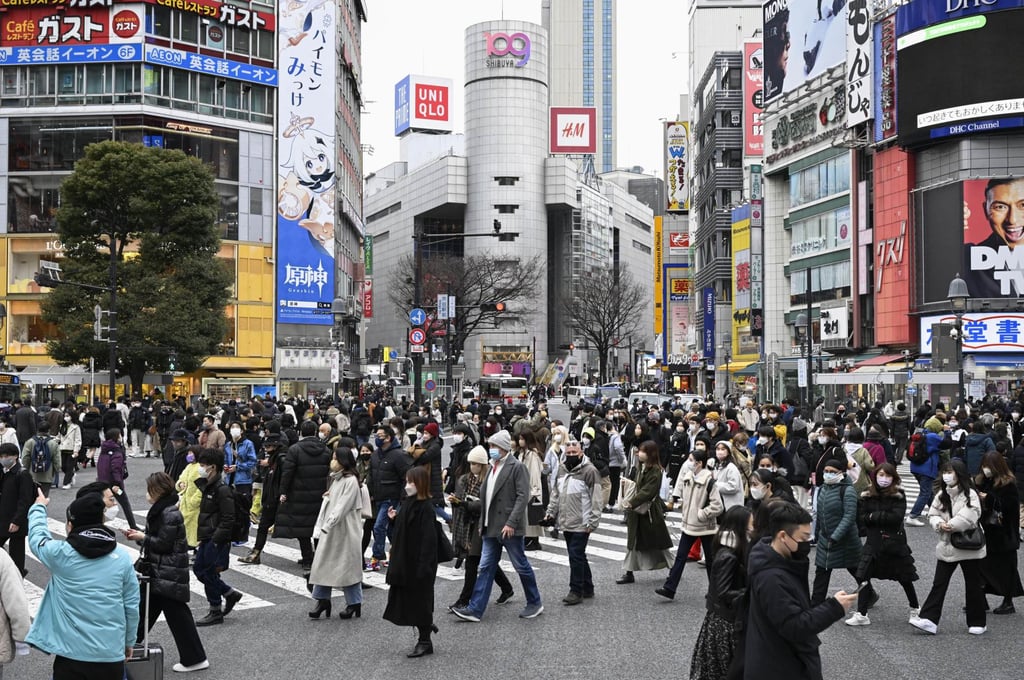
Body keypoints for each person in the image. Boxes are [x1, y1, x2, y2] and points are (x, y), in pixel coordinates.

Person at [26, 489, 140, 680]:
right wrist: (129, 641)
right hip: (110, 654)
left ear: (70, 525)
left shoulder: (60, 554)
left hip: (71, 655)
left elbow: (37, 537)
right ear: (101, 521)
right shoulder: (122, 558)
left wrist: (39, 507)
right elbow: (131, 606)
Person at [744, 503, 856, 680]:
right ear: (782, 536)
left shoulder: (779, 560)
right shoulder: (772, 577)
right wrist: (834, 607)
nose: (807, 544)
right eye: (803, 538)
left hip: (778, 659)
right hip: (779, 666)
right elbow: (793, 626)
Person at [451, 430, 544, 622]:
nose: (491, 450)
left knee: (521, 566)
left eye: (493, 446)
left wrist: (511, 522)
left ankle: (534, 602)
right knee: (485, 567)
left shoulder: (516, 467)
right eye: (490, 446)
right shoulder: (493, 467)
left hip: (508, 527)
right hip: (490, 526)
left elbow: (522, 496)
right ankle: (475, 609)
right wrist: (481, 523)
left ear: (503, 447)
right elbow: (486, 498)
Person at [124, 472, 209, 673]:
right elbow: (158, 540)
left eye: (149, 490)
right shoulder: (163, 509)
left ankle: (195, 658)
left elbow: (163, 544)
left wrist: (142, 537)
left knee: (174, 616)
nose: (147, 493)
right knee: (145, 610)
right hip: (162, 571)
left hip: (167, 572)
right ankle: (124, 649)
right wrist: (139, 537)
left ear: (158, 491)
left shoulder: (168, 512)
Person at [910, 460, 988, 635]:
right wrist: (938, 524)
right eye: (945, 471)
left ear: (959, 474)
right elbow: (933, 513)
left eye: (951, 471)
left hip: (969, 547)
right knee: (939, 583)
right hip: (947, 545)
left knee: (973, 585)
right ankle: (929, 619)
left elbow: (970, 516)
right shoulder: (942, 493)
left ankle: (978, 622)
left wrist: (950, 525)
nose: (947, 475)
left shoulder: (971, 494)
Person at [845, 463, 919, 626]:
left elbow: (896, 517)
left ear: (893, 478)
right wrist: (877, 517)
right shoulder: (867, 493)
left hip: (894, 543)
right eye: (881, 475)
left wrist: (873, 517)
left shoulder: (899, 494)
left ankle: (915, 608)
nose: (883, 479)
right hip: (874, 542)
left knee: (905, 577)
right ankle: (861, 614)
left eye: (887, 476)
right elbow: (862, 517)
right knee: (863, 576)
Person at [383, 466, 440, 658]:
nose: (407, 486)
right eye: (406, 481)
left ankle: (425, 640)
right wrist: (393, 520)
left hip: (418, 564)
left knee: (420, 601)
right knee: (409, 600)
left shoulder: (425, 507)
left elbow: (429, 540)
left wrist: (424, 566)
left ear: (420, 484)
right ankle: (425, 629)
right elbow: (402, 531)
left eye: (411, 482)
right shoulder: (408, 503)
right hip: (406, 561)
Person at [688, 506, 751, 680]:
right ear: (740, 527)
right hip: (724, 623)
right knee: (725, 669)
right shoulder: (728, 556)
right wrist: (749, 593)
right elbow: (722, 592)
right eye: (749, 526)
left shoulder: (730, 550)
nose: (752, 530)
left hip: (721, 619)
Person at [448, 445, 514, 610]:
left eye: (476, 464)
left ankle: (465, 599)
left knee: (472, 562)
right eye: (470, 463)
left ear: (483, 464)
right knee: (486, 560)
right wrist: (456, 501)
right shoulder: (464, 479)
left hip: (483, 524)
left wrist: (465, 504)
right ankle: (507, 588)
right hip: (467, 524)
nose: (472, 467)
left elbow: (486, 505)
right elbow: (461, 499)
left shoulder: (490, 479)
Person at [658, 449, 724, 600]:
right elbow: (682, 493)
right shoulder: (688, 477)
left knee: (710, 561)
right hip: (689, 525)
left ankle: (716, 591)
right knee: (680, 556)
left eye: (691, 459)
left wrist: (702, 513)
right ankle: (670, 588)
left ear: (699, 463)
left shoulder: (709, 481)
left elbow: (718, 506)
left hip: (705, 527)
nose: (689, 462)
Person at [308, 447, 365, 620]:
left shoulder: (350, 481)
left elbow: (343, 506)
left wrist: (328, 523)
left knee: (347, 567)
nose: (332, 461)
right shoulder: (338, 479)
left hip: (344, 530)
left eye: (335, 458)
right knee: (324, 564)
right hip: (333, 529)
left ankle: (354, 603)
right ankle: (322, 600)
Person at [544, 437, 602, 605]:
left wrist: (593, 522)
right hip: (566, 521)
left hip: (582, 523)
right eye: (568, 453)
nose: (570, 455)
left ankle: (576, 590)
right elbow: (556, 494)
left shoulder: (589, 471)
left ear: (581, 453)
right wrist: (550, 513)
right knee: (578, 555)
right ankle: (588, 587)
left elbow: (596, 498)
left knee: (575, 556)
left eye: (574, 452)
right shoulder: (562, 470)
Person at [811, 457, 872, 608]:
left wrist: (836, 536)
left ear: (842, 473)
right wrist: (817, 533)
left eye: (832, 472)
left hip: (845, 540)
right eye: (826, 471)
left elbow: (849, 516)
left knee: (856, 570)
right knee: (822, 570)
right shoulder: (823, 488)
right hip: (826, 538)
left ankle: (869, 594)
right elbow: (820, 513)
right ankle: (816, 603)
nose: (828, 474)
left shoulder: (848, 490)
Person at [192, 448, 243, 626]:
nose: (201, 468)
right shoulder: (209, 485)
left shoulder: (222, 489)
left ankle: (215, 610)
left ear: (213, 467)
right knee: (200, 570)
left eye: (203, 465)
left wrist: (215, 540)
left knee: (207, 571)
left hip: (216, 539)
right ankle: (229, 593)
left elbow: (228, 518)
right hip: (208, 536)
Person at [276, 420, 332, 570]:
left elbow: (287, 473)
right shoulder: (325, 449)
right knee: (318, 525)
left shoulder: (295, 449)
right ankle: (319, 558)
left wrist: (283, 491)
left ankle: (307, 557)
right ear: (315, 432)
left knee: (302, 527)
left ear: (301, 432)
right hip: (320, 493)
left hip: (299, 492)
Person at [616, 440, 674, 584]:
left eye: (642, 451)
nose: (638, 453)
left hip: (650, 513)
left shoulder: (655, 471)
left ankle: (674, 569)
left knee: (660, 544)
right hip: (638, 512)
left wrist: (631, 502)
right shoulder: (641, 467)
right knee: (633, 542)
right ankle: (629, 572)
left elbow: (648, 491)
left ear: (650, 454)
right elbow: (639, 487)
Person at [975, 452, 1022, 614]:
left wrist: (989, 498)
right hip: (986, 531)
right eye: (983, 466)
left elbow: (1010, 508)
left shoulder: (1008, 484)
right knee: (981, 566)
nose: (985, 469)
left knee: (1006, 569)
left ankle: (1008, 602)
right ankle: (981, 599)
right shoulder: (983, 481)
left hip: (1004, 533)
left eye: (987, 466)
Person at [963, 177, 1024, 297]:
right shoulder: (967, 259)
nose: (1012, 219)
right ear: (985, 210)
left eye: (1023, 205)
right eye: (1000, 207)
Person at [367, 426, 412, 571]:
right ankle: (400, 553)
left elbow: (406, 478)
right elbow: (371, 475)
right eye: (376, 435)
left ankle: (377, 556)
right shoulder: (375, 455)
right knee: (391, 530)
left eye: (380, 436)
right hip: (378, 497)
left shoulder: (399, 455)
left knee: (379, 526)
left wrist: (402, 498)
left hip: (391, 498)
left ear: (388, 438)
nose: (377, 438)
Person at [239, 435, 286, 565]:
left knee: (295, 529)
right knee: (263, 526)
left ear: (276, 446)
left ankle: (308, 557)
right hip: (271, 498)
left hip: (276, 498)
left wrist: (281, 494)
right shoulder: (274, 459)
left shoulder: (281, 459)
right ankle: (255, 553)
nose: (266, 449)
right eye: (265, 446)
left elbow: (285, 479)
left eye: (269, 446)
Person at [0, 443, 34, 577]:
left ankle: (18, 575)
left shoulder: (22, 474)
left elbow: (24, 500)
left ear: (15, 456)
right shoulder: (5, 472)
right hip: (4, 518)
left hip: (16, 520)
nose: (3, 459)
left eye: (6, 456)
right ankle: (13, 573)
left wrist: (17, 520)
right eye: (1, 456)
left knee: (17, 553)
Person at [96, 429, 138, 530]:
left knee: (101, 504)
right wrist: (117, 483)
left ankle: (98, 525)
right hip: (115, 484)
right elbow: (116, 468)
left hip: (103, 483)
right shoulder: (116, 451)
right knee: (125, 503)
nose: (121, 438)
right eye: (119, 436)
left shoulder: (104, 449)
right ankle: (133, 526)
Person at [906, 417, 945, 526]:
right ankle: (913, 515)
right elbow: (947, 443)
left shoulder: (920, 434)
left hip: (915, 467)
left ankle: (935, 512)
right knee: (925, 492)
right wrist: (947, 431)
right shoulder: (933, 437)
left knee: (928, 492)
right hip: (927, 469)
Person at [223, 421, 257, 545]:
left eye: (237, 427)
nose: (235, 429)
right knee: (232, 509)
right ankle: (234, 535)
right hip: (230, 480)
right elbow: (225, 460)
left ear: (242, 430)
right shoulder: (228, 445)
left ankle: (243, 537)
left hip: (243, 480)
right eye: (232, 427)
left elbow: (253, 461)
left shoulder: (248, 444)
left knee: (243, 509)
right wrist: (226, 467)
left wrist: (238, 467)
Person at [20, 422, 60, 498]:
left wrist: (25, 470)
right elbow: (57, 460)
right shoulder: (53, 443)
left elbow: (25, 458)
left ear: (37, 430)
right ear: (48, 430)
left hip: (32, 474)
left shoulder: (30, 442)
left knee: (32, 496)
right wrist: (56, 470)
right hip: (47, 474)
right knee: (44, 497)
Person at [175, 446, 203, 552]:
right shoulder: (188, 467)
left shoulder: (200, 468)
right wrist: (180, 484)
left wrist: (195, 500)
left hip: (194, 504)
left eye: (191, 453)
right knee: (186, 528)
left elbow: (201, 486)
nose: (189, 455)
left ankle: (196, 550)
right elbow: (181, 478)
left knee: (195, 529)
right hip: (185, 503)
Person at [58, 411, 82, 490]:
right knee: (63, 467)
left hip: (72, 449)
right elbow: (59, 437)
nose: (66, 417)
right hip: (63, 449)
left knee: (69, 467)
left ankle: (66, 483)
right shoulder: (62, 426)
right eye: (65, 416)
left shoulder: (76, 427)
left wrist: (76, 450)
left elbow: (78, 440)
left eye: (68, 415)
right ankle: (71, 475)